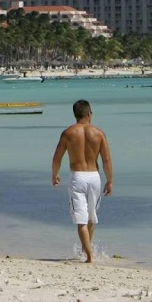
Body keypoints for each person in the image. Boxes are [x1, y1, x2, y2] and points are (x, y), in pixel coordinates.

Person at [51, 99, 112, 263]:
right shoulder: (99, 133)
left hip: (77, 177)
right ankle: (88, 252)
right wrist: (110, 181)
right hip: (94, 177)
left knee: (81, 218)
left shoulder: (68, 133)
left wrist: (55, 174)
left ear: (75, 114)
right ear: (89, 113)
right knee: (91, 217)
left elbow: (57, 157)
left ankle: (89, 255)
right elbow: (106, 160)